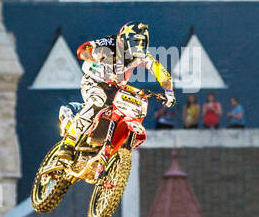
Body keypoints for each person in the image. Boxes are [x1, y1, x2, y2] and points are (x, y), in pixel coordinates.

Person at [59, 22, 175, 161]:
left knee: (124, 111)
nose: (134, 52)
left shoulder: (142, 55)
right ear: (124, 40)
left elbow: (160, 71)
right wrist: (92, 60)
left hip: (116, 88)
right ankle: (68, 143)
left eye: (139, 46)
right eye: (132, 45)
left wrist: (169, 92)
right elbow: (83, 49)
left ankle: (107, 150)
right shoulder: (109, 42)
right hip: (95, 81)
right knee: (98, 101)